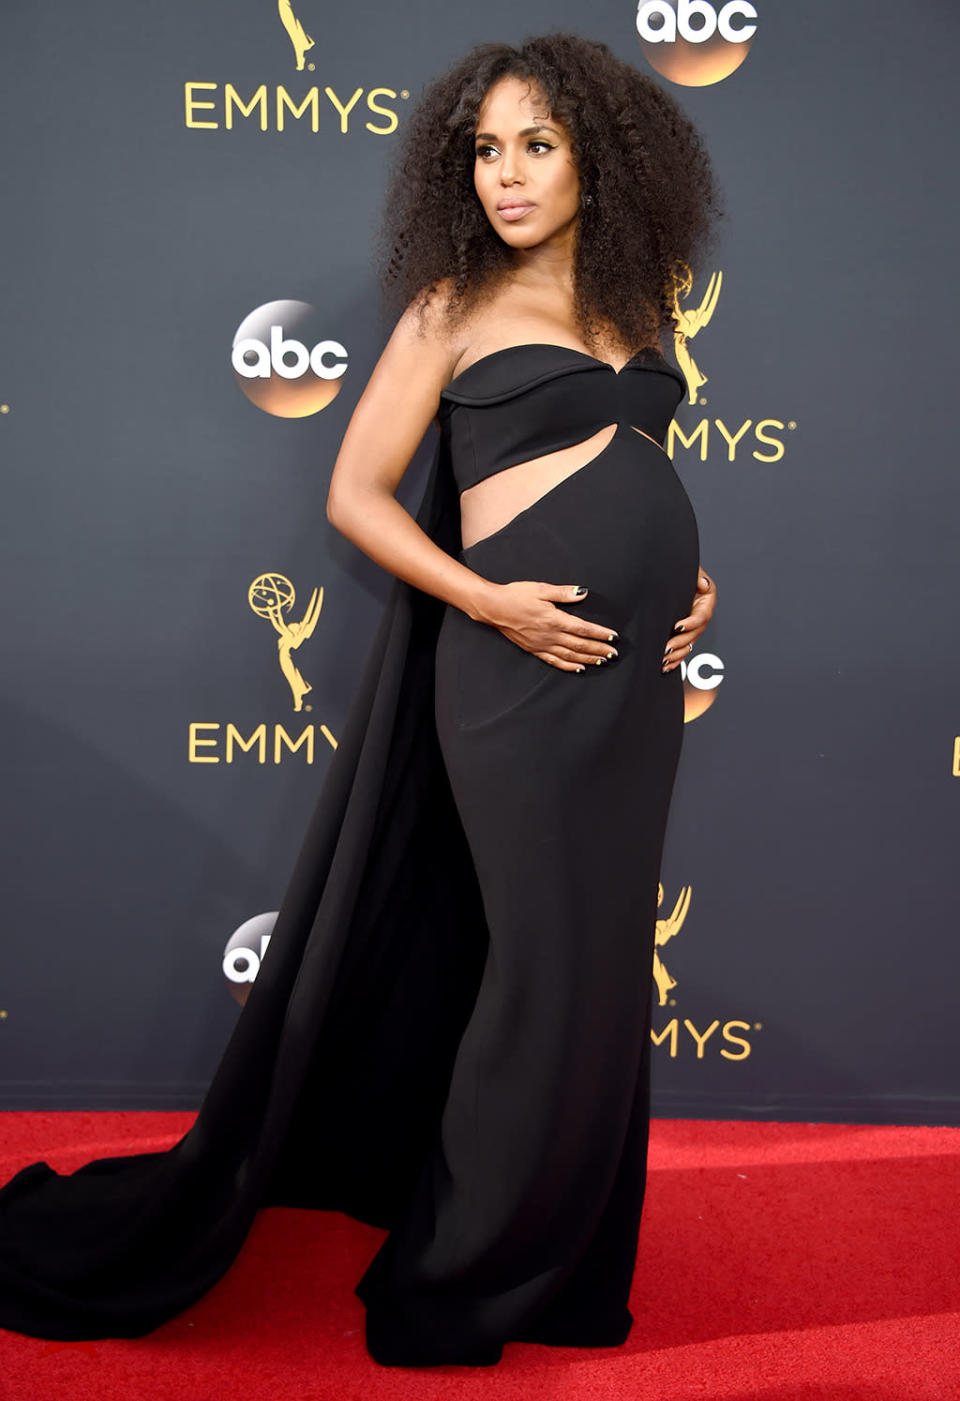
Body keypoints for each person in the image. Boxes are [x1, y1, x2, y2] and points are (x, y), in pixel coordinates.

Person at [0, 32, 720, 1367]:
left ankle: (563, 1270)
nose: (505, 175)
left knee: (603, 974)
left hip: (634, 688)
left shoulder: (642, 298)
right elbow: (355, 494)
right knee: (541, 974)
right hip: (513, 678)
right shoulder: (451, 303)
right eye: (486, 149)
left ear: (601, 157)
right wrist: (486, 597)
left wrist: (696, 586)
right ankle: (455, 1275)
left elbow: (636, 467)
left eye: (536, 146)